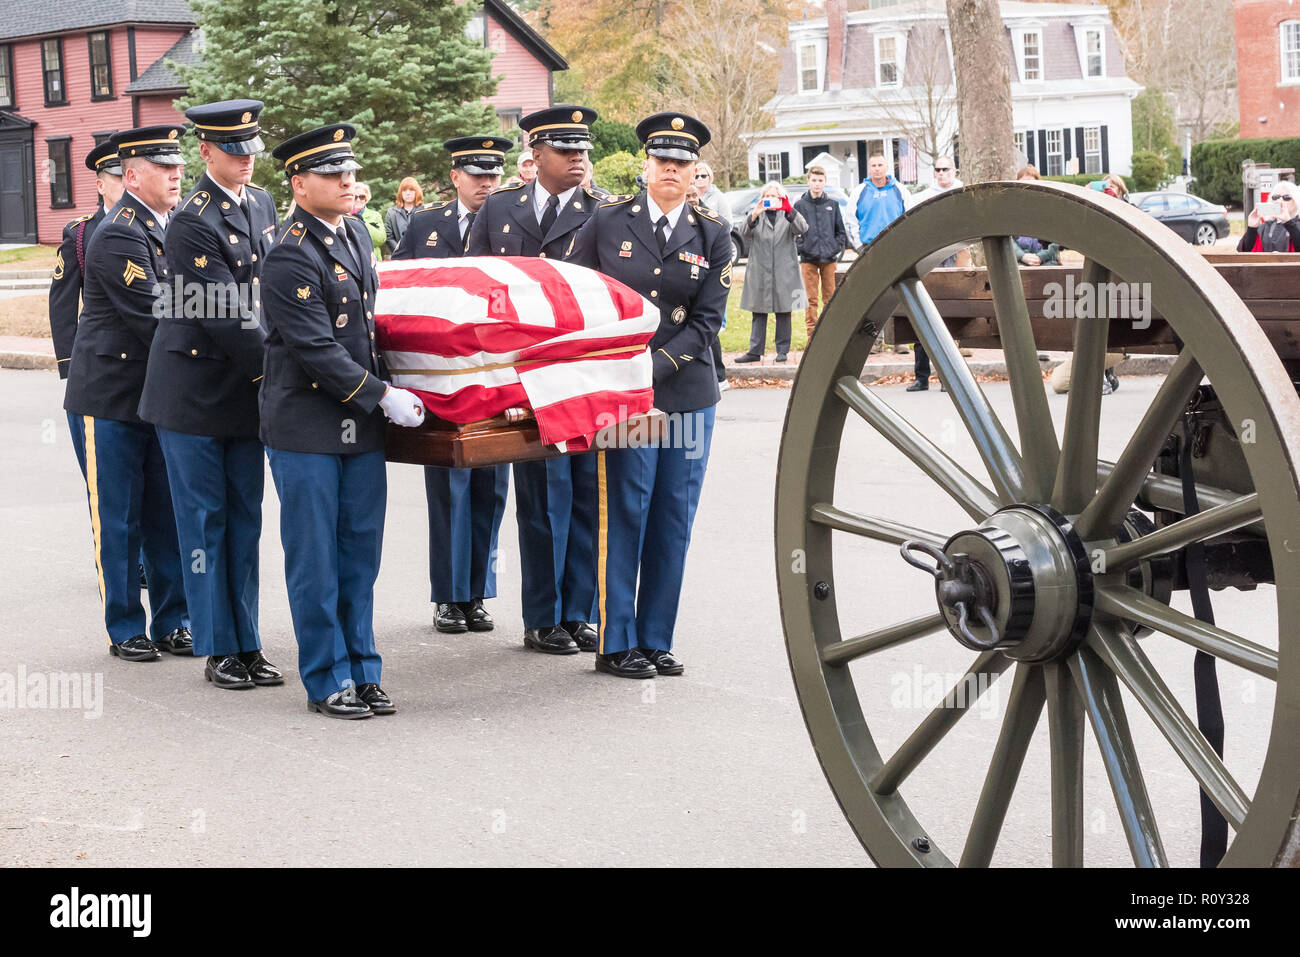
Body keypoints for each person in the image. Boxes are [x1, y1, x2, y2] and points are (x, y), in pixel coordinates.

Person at [262, 123, 426, 719]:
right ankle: (326, 676)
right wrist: (380, 395)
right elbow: (312, 347)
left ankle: (363, 667)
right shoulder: (286, 251)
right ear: (300, 184)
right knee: (316, 558)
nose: (347, 181)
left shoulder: (355, 234)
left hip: (359, 428)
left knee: (360, 554)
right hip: (307, 426)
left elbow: (366, 326)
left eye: (350, 172)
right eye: (333, 174)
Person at [567, 112, 731, 679]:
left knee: (672, 515)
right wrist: (619, 366)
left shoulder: (713, 234)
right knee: (626, 510)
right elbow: (580, 294)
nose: (670, 169)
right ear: (646, 165)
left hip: (684, 393)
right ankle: (617, 641)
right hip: (623, 396)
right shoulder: (608, 223)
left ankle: (656, 637)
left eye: (681, 162)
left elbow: (709, 320)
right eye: (662, 160)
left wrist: (654, 366)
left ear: (694, 173)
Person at [137, 99, 282, 691]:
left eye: (250, 150)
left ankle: (247, 641)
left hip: (245, 389)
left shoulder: (264, 203)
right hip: (193, 393)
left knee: (245, 519)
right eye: (232, 151)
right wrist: (283, 370)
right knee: (205, 521)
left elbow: (269, 291)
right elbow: (224, 310)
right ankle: (217, 645)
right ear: (206, 152)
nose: (245, 161)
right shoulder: (193, 217)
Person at [467, 105, 604, 656]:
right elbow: (475, 283)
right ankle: (543, 615)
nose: (578, 159)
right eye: (565, 150)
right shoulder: (500, 210)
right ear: (536, 154)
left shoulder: (604, 213)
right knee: (540, 499)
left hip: (581, 372)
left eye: (582, 150)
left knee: (586, 495)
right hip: (520, 372)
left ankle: (580, 611)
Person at [62, 126, 191, 662]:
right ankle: (124, 625)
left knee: (166, 514)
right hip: (109, 399)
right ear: (132, 176)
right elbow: (156, 313)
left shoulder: (172, 226)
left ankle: (173, 620)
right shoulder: (116, 232)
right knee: (118, 519)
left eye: (179, 165)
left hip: (156, 397)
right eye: (165, 167)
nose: (177, 173)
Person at [392, 136, 514, 636]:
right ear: (455, 177)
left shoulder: (512, 221)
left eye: (493, 174)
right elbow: (396, 286)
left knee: (491, 487)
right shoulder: (426, 224)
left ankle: (477, 592)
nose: (486, 183)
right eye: (476, 174)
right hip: (440, 378)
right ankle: (448, 595)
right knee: (448, 491)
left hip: (495, 376)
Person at [49, 140, 125, 478]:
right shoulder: (81, 234)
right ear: (100, 184)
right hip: (99, 363)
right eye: (118, 177)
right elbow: (62, 303)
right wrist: (70, 364)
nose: (127, 183)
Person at [905, 155, 962, 391]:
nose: (941, 173)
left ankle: (949, 378)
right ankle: (922, 376)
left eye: (945, 169)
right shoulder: (923, 197)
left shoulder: (963, 194)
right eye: (937, 170)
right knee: (923, 316)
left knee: (947, 318)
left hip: (953, 256)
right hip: (929, 258)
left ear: (954, 170)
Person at [734, 181, 807, 364]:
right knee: (758, 311)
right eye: (766, 196)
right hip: (760, 270)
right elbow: (743, 232)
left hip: (784, 270)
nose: (769, 199)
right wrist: (755, 213)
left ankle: (782, 350)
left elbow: (803, 228)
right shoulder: (758, 216)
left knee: (783, 311)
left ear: (780, 198)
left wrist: (790, 210)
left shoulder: (787, 215)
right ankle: (754, 351)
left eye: (773, 196)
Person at [793, 165, 848, 342]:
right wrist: (802, 247)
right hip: (808, 258)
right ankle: (812, 336)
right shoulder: (800, 205)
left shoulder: (832, 205)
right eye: (814, 180)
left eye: (820, 181)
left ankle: (830, 334)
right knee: (810, 299)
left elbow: (841, 232)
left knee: (830, 298)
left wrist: (835, 247)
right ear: (808, 181)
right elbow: (793, 231)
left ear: (825, 182)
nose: (817, 184)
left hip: (829, 258)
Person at [850, 151, 914, 249]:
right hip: (868, 247)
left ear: (886, 167)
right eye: (873, 165)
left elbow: (911, 216)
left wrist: (905, 242)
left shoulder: (901, 190)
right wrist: (859, 246)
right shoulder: (858, 192)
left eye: (880, 165)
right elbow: (851, 220)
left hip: (896, 246)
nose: (877, 169)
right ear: (869, 169)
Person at [1238, 180, 1300, 252]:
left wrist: (1289, 223)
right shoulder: (1265, 227)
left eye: (1286, 197)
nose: (1279, 201)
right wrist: (1252, 228)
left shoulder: (1297, 226)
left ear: (1296, 201)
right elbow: (1245, 252)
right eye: (1275, 197)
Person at [384, 176, 423, 251]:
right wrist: (400, 250)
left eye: (411, 190)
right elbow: (389, 237)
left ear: (417, 192)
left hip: (420, 256)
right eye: (404, 190)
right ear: (400, 193)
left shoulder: (425, 210)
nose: (408, 193)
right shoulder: (391, 213)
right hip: (399, 256)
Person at [351, 182, 387, 255]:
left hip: (372, 259)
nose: (358, 200)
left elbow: (381, 239)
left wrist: (361, 222)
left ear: (366, 198)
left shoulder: (375, 215)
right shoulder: (343, 215)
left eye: (362, 197)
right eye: (355, 197)